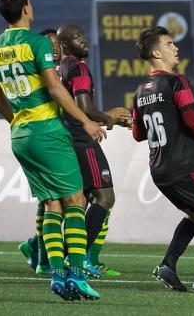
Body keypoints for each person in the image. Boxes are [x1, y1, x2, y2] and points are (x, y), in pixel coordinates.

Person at [0, 0, 106, 300]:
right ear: (27, 8)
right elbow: (54, 88)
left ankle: (56, 276)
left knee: (52, 203)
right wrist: (86, 120)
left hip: (21, 136)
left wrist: (18, 122)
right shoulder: (36, 43)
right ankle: (77, 275)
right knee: (76, 201)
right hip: (47, 130)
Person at [132, 26, 194, 293]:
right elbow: (190, 118)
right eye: (168, 43)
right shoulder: (177, 81)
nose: (175, 48)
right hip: (182, 165)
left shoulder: (140, 90)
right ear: (156, 52)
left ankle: (168, 265)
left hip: (158, 169)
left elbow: (137, 134)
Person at [56, 24, 130, 277]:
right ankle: (78, 256)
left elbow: (70, 109)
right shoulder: (79, 68)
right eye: (77, 38)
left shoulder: (59, 68)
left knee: (80, 200)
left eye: (83, 36)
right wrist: (107, 117)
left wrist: (105, 118)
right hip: (81, 140)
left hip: (65, 138)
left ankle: (64, 254)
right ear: (65, 45)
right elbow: (84, 107)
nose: (84, 41)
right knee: (105, 197)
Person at [17, 28, 59, 275]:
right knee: (52, 200)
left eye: (57, 45)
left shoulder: (57, 72)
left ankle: (35, 246)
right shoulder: (44, 74)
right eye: (49, 44)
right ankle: (44, 257)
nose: (54, 48)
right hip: (45, 136)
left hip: (50, 136)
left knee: (52, 200)